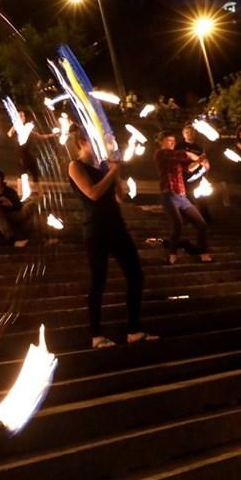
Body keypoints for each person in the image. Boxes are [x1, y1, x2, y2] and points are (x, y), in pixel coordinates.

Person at [67, 123, 157, 349]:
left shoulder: (104, 166)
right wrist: (112, 172)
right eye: (94, 140)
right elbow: (92, 193)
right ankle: (96, 335)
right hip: (96, 228)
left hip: (116, 225)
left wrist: (116, 172)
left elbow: (119, 197)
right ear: (82, 142)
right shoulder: (75, 166)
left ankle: (134, 330)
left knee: (136, 275)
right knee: (99, 280)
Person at [154, 130, 213, 265]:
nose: (173, 143)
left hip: (182, 196)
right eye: (169, 140)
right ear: (161, 142)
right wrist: (198, 157)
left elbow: (190, 168)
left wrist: (200, 161)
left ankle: (204, 255)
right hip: (169, 195)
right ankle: (172, 255)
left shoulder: (176, 157)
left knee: (202, 225)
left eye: (174, 141)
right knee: (177, 225)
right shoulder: (161, 154)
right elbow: (185, 154)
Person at [7, 108, 57, 200]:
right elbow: (9, 134)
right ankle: (19, 193)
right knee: (21, 174)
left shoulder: (27, 129)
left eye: (23, 115)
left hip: (28, 154)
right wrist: (15, 125)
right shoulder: (16, 129)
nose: (22, 117)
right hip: (21, 155)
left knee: (34, 172)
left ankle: (40, 194)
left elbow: (40, 136)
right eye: (20, 116)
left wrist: (52, 135)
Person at [0, 167, 33, 247]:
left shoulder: (9, 191)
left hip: (12, 218)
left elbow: (19, 208)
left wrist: (10, 204)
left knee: (32, 204)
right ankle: (12, 241)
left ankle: (48, 235)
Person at [176, 124, 213, 224]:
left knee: (202, 196)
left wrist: (205, 165)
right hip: (184, 175)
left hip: (197, 176)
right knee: (185, 197)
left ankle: (206, 218)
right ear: (183, 134)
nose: (189, 134)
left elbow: (204, 161)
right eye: (187, 132)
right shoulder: (180, 146)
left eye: (191, 132)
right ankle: (185, 218)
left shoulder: (198, 147)